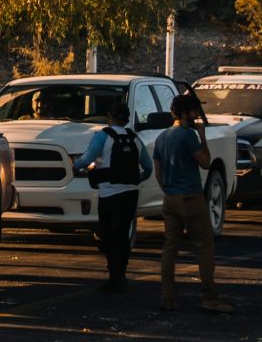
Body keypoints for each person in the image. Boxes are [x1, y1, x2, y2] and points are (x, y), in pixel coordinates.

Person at [154, 92, 231, 314]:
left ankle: (167, 297)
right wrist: (203, 137)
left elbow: (158, 173)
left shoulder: (162, 137)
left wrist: (169, 191)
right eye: (195, 111)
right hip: (191, 196)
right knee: (204, 246)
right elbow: (205, 163)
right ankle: (209, 297)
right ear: (186, 113)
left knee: (170, 248)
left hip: (170, 199)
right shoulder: (188, 136)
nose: (197, 115)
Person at [80, 94, 144, 292]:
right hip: (130, 193)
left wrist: (76, 165)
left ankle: (113, 274)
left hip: (109, 194)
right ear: (126, 119)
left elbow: (87, 158)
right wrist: (135, 180)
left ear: (109, 116)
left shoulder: (102, 135)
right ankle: (121, 274)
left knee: (108, 234)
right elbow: (148, 167)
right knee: (123, 233)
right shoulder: (135, 138)